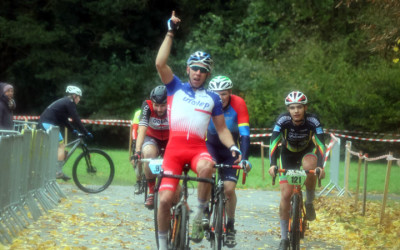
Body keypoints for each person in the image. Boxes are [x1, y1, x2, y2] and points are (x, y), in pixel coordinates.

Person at [155, 11, 242, 249]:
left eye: (203, 70)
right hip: (173, 151)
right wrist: (170, 32)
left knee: (207, 165)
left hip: (196, 150)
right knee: (163, 201)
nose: (198, 72)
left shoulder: (212, 98)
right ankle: (163, 245)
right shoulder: (174, 88)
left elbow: (222, 129)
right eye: (194, 68)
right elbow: (160, 63)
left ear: (207, 74)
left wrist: (233, 146)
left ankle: (200, 215)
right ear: (187, 69)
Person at [268, 91, 325, 250]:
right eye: (292, 107)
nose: (296, 111)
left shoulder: (313, 120)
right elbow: (273, 141)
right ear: (288, 109)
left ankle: (309, 201)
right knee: (286, 195)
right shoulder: (282, 120)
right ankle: (285, 238)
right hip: (288, 154)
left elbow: (321, 144)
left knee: (309, 168)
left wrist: (320, 166)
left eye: (299, 107)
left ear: (305, 107)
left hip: (307, 152)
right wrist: (273, 164)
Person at [206, 75, 252, 247]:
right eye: (216, 94)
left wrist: (244, 158)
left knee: (229, 190)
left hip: (230, 149)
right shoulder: (207, 102)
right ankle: (204, 211)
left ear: (230, 93)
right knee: (207, 170)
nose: (220, 98)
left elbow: (245, 134)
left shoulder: (238, 103)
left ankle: (230, 226)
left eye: (224, 94)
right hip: (210, 145)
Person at [38, 85, 93, 181]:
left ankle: (55, 170)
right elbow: (76, 119)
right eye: (79, 97)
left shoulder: (65, 102)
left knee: (60, 148)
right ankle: (58, 172)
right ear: (74, 96)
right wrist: (85, 132)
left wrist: (74, 131)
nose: (79, 100)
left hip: (46, 123)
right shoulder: (69, 102)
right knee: (61, 146)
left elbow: (64, 120)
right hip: (47, 124)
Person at [132, 85, 169, 208]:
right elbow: (142, 128)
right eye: (156, 105)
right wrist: (138, 151)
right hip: (152, 137)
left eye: (162, 105)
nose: (159, 109)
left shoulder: (174, 105)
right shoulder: (147, 105)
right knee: (147, 154)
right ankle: (152, 192)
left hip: (170, 138)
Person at [130, 108, 143, 195]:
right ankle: (138, 182)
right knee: (136, 160)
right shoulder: (139, 113)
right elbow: (135, 128)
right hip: (139, 139)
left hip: (152, 138)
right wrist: (134, 141)